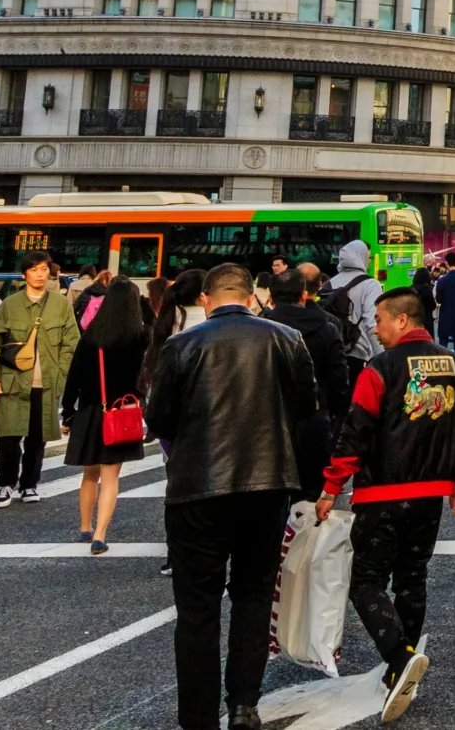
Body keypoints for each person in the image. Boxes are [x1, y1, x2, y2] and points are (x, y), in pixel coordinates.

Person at [145, 262, 318, 730]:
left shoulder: (182, 344)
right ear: (250, 296)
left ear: (205, 298)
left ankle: (198, 717)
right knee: (254, 594)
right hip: (267, 482)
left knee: (197, 607)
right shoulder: (285, 339)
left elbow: (158, 418)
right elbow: (307, 408)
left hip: (197, 486)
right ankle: (243, 704)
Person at [317, 287, 455, 723]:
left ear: (402, 320)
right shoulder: (454, 365)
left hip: (383, 492)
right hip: (430, 493)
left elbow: (356, 431)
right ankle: (402, 666)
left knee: (365, 580)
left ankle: (399, 656)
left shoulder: (379, 367)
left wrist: (332, 487)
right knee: (412, 577)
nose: (375, 327)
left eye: (381, 319)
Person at [0, 253, 79, 507]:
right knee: (7, 437)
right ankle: (5, 483)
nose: (39, 274)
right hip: (12, 382)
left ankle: (29, 485)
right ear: (24, 275)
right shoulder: (9, 305)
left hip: (46, 383)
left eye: (44, 269)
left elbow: (72, 343)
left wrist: (61, 373)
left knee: (37, 439)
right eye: (34, 270)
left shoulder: (61, 304)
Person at [63, 279, 149, 555]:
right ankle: (100, 534)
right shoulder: (139, 338)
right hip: (121, 413)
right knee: (111, 476)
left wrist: (68, 413)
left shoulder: (91, 337)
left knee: (90, 474)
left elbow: (73, 378)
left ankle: (84, 527)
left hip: (90, 411)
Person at [264, 273, 349, 496]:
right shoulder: (328, 327)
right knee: (310, 505)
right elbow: (339, 379)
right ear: (304, 296)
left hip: (266, 426)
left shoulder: (258, 329)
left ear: (271, 298)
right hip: (315, 421)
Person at [328, 241, 384, 370]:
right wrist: (382, 357)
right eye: (368, 257)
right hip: (359, 353)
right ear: (360, 257)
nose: (369, 261)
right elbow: (371, 322)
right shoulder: (370, 284)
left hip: (334, 352)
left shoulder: (330, 283)